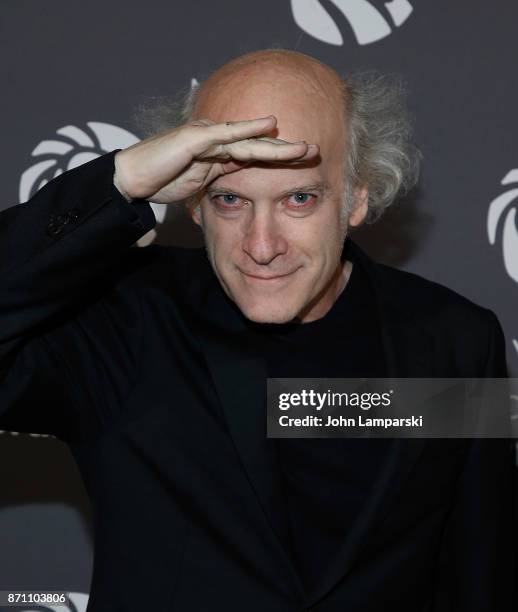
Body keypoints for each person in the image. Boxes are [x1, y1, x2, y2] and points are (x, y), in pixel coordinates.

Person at [0, 48, 515, 611]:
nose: (261, 246)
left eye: (299, 199)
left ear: (357, 195)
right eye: (229, 200)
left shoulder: (454, 340)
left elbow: (478, 571)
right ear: (193, 201)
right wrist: (119, 181)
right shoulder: (121, 320)